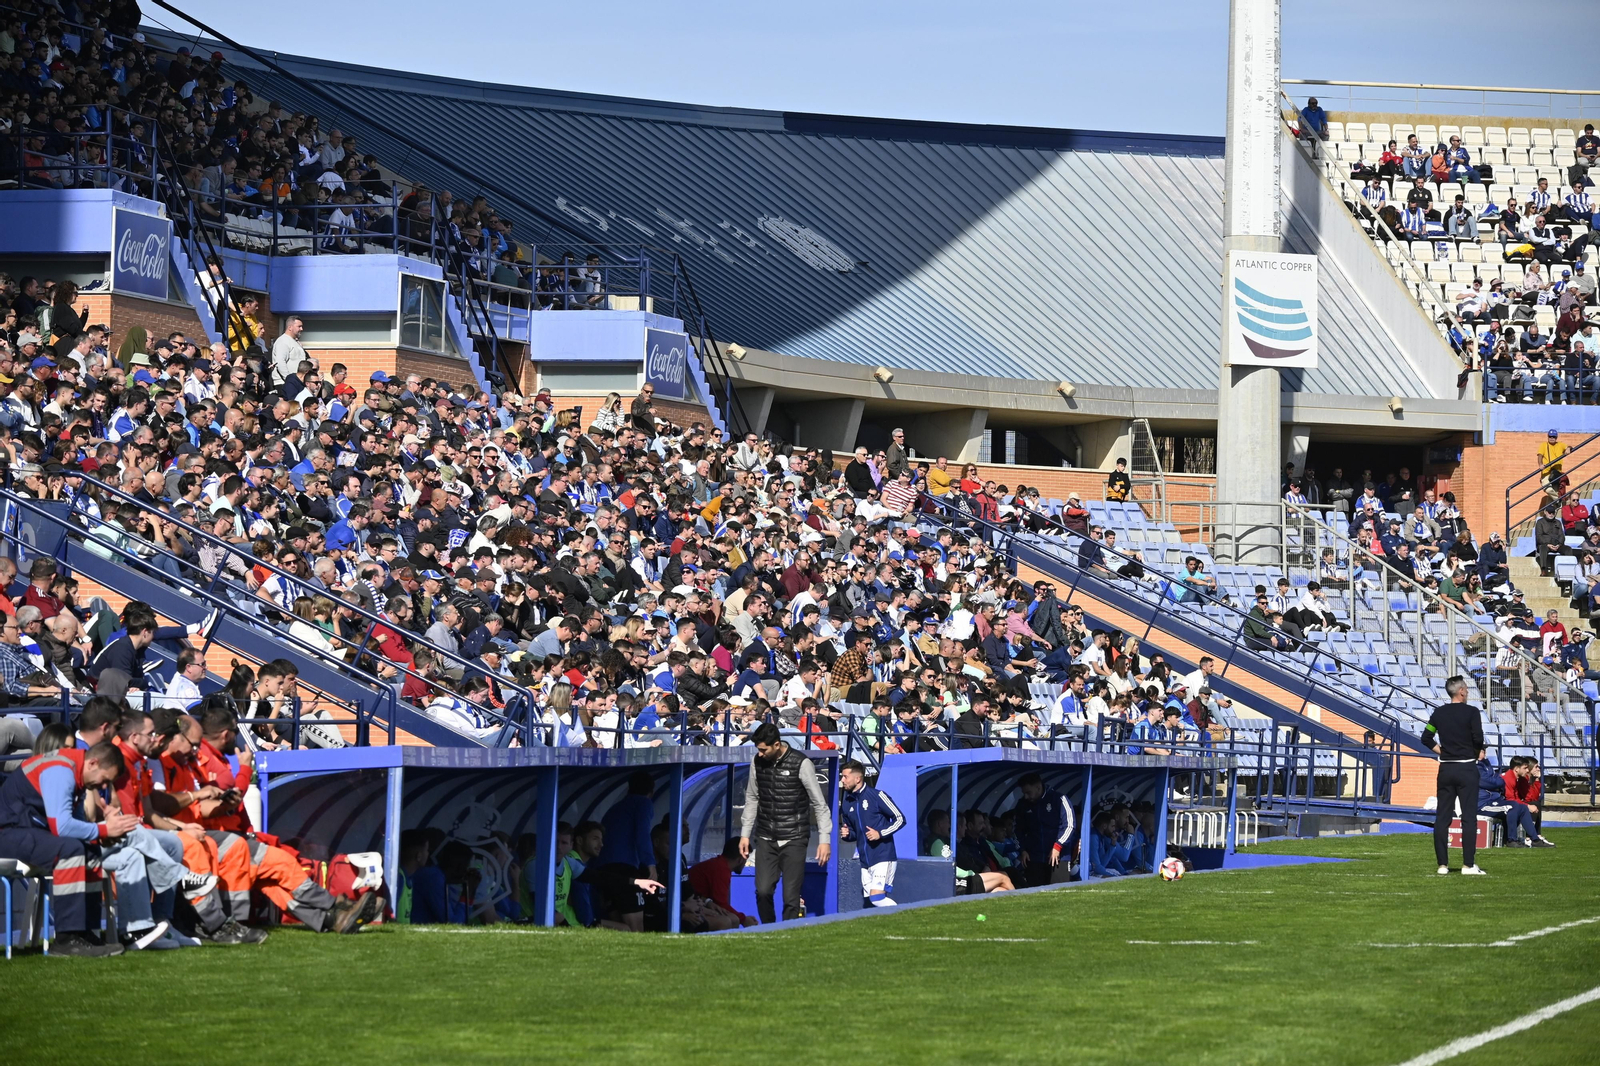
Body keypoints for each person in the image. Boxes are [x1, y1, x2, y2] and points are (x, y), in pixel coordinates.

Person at [738, 722, 833, 923]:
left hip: (794, 838)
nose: (760, 754)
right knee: (763, 891)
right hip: (765, 836)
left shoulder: (802, 763)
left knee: (791, 897)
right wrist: (745, 835)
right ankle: (769, 930)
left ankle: (788, 933)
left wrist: (824, 839)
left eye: (763, 749)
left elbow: (819, 804)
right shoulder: (757, 762)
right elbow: (752, 797)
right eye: (758, 749)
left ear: (776, 744)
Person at [1423, 676, 1487, 876]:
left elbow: (1426, 737)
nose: (1467, 692)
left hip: (1446, 770)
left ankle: (1442, 865)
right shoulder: (1472, 712)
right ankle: (1468, 865)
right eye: (1466, 689)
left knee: (1442, 817)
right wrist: (1475, 752)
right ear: (1461, 691)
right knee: (1468, 817)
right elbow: (1478, 738)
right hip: (1466, 769)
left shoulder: (1439, 713)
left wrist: (1442, 752)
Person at [838, 759, 905, 907]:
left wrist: (880, 833)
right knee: (873, 903)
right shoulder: (847, 802)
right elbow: (854, 833)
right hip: (865, 860)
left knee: (877, 898)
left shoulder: (877, 796)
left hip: (882, 856)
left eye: (845, 777)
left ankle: (904, 915)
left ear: (857, 779)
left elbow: (900, 819)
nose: (842, 780)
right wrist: (847, 834)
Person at [1013, 771, 1077, 887]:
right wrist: (1022, 850)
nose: (1026, 796)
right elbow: (1017, 830)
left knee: (1060, 892)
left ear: (1038, 787)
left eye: (1028, 792)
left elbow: (1069, 825)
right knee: (1035, 893)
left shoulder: (1059, 799)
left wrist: (1058, 846)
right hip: (1034, 858)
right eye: (1024, 793)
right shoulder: (1022, 804)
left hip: (1059, 857)